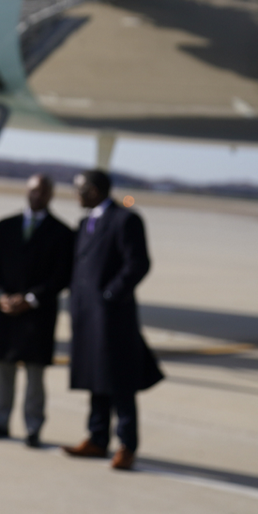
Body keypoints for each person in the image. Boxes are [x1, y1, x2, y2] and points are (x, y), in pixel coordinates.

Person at [63, 169, 163, 471]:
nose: (75, 194)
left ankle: (127, 445)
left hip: (112, 316)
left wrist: (110, 295)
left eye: (79, 188)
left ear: (93, 190)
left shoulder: (125, 220)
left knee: (120, 383)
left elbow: (139, 263)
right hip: (86, 314)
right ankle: (96, 438)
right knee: (96, 379)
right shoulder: (85, 223)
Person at [0, 174, 74, 448]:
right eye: (33, 190)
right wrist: (0, 297)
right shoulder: (5, 225)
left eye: (43, 191)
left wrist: (31, 298)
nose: (37, 196)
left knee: (35, 376)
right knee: (4, 371)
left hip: (37, 313)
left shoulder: (62, 232)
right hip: (5, 311)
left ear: (51, 195)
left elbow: (62, 275)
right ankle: (0, 421)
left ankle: (33, 427)